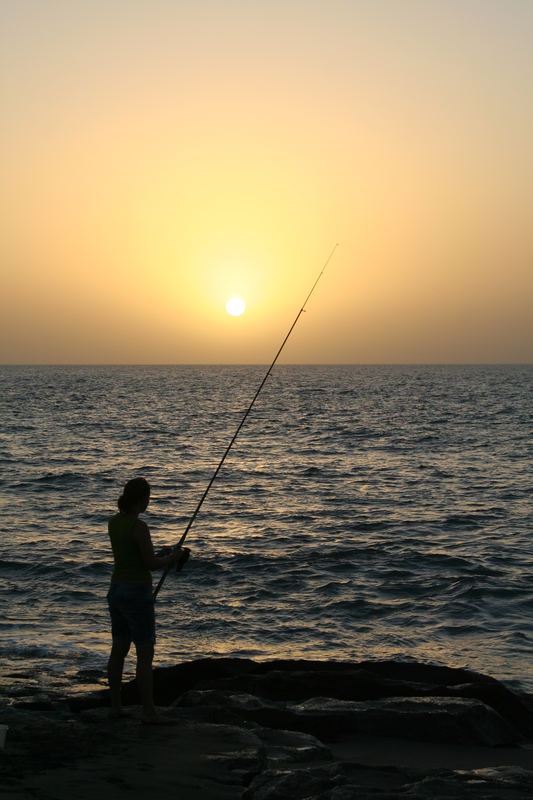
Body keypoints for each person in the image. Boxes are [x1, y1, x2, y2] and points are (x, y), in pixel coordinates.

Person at [106, 477, 188, 723]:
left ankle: (115, 707)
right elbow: (150, 564)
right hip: (137, 593)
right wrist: (174, 557)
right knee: (144, 653)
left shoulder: (114, 523)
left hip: (116, 590)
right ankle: (148, 712)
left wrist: (164, 554)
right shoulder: (139, 527)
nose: (149, 501)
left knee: (119, 649)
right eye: (148, 497)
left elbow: (134, 557)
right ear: (141, 499)